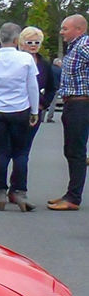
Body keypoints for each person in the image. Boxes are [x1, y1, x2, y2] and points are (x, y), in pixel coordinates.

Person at [0, 22, 39, 211]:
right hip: (20, 109)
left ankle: (0, 191)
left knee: (1, 151)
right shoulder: (26, 59)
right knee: (20, 153)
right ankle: (19, 191)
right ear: (16, 40)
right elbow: (32, 87)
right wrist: (34, 110)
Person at [48, 13, 89, 211]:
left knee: (76, 152)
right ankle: (70, 193)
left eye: (65, 28)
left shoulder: (84, 47)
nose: (61, 32)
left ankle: (73, 198)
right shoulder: (74, 47)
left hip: (81, 104)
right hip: (72, 104)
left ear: (79, 30)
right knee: (71, 150)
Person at [19, 27, 56, 147]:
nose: (33, 45)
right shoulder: (15, 61)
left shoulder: (44, 64)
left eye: (37, 42)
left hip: (34, 110)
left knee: (25, 146)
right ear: (22, 43)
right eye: (29, 42)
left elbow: (51, 87)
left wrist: (43, 104)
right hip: (13, 108)